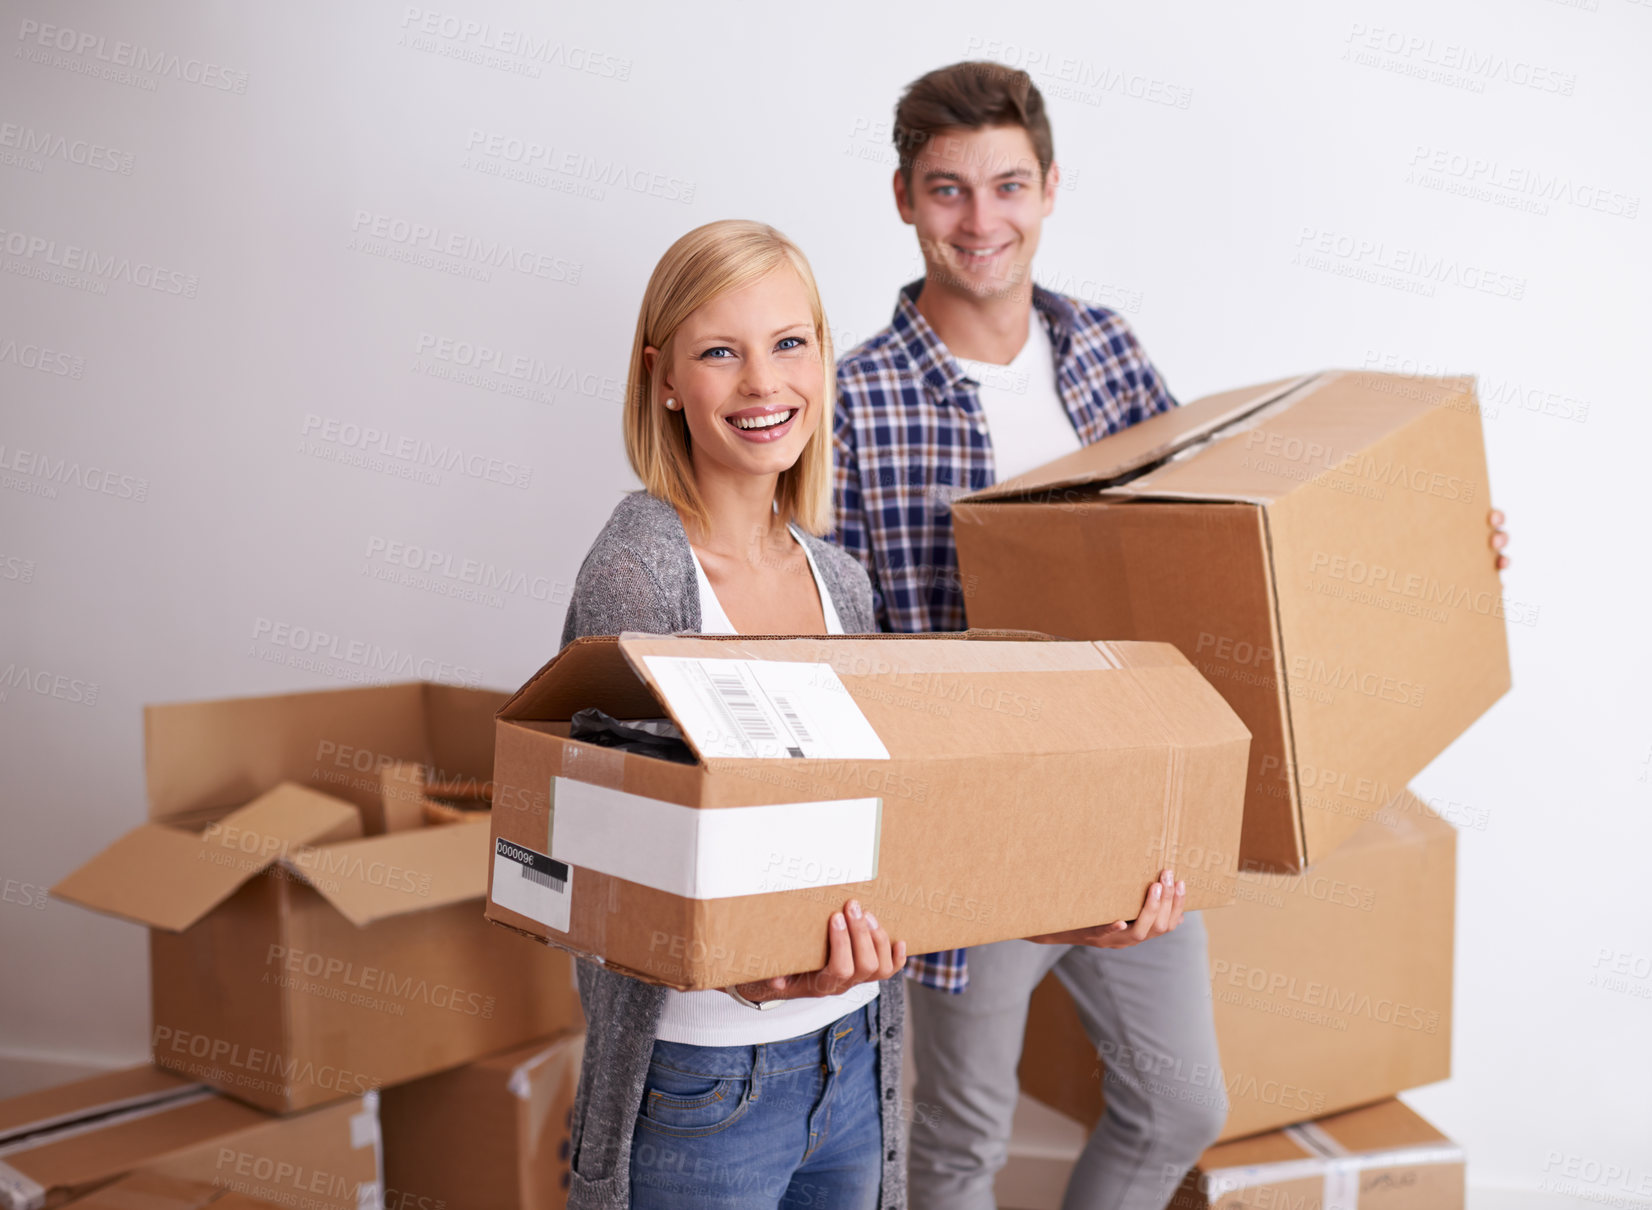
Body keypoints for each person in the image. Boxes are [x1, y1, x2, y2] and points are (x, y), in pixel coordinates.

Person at [831, 63, 1510, 1210]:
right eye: (947, 191)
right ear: (903, 199)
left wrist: (1429, 547)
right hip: (974, 835)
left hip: (1129, 811)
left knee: (1177, 1104)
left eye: (1006, 185)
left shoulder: (1102, 346)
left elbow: (1211, 545)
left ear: (1049, 188)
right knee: (951, 1150)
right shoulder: (855, 398)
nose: (980, 221)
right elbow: (842, 642)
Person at [559, 219, 908, 1210]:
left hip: (853, 1058)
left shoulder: (841, 580)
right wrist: (741, 969)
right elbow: (603, 844)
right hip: (703, 1082)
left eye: (788, 343)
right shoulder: (638, 573)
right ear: (663, 377)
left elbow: (875, 823)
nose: (763, 384)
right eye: (721, 351)